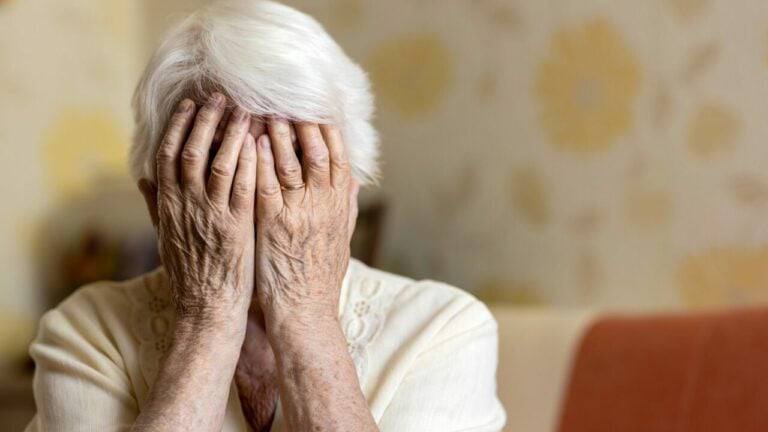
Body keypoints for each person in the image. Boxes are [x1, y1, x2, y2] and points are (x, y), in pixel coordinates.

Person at [25, 1, 506, 431]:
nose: (259, 196)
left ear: (349, 192)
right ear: (160, 204)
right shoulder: (86, 332)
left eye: (292, 161)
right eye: (219, 163)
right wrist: (207, 319)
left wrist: (305, 313)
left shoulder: (445, 330)